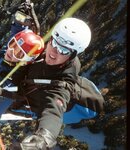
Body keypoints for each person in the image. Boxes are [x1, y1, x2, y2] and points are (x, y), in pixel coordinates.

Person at [7, 17, 92, 150]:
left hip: (29, 100)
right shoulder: (48, 52)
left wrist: (43, 140)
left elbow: (53, 111)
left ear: (73, 55)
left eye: (63, 50)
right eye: (54, 42)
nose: (54, 51)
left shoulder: (63, 83)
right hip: (24, 84)